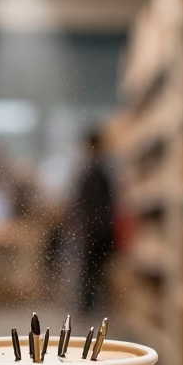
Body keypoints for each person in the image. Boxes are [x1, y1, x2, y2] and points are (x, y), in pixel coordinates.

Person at [72, 129, 115, 313]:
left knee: (92, 268)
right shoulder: (94, 172)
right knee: (91, 269)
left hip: (95, 230)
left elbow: (94, 204)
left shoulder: (95, 173)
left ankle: (89, 304)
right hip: (95, 229)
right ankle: (88, 303)